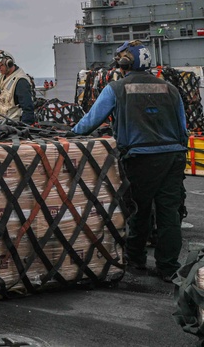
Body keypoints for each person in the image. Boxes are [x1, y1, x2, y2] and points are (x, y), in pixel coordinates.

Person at [70, 40, 187, 280]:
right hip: (173, 158)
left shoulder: (116, 88)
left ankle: (136, 260)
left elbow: (88, 123)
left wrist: (68, 135)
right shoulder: (171, 89)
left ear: (124, 63)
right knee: (169, 214)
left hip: (139, 159)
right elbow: (183, 129)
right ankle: (168, 267)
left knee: (138, 211)